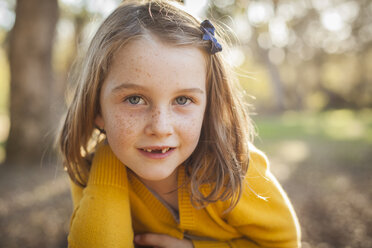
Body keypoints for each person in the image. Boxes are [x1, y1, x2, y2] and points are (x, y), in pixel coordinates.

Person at [58, 0, 301, 247]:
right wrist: (107, 155)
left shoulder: (234, 166)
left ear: (208, 107)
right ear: (96, 106)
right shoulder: (88, 170)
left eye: (182, 100)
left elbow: (285, 243)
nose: (161, 127)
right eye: (134, 99)